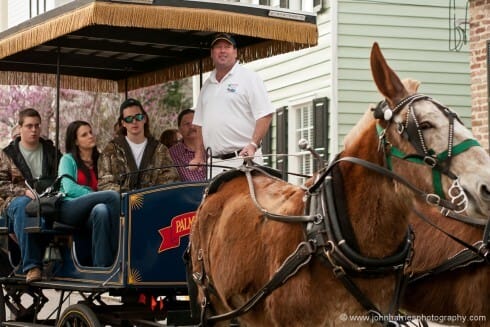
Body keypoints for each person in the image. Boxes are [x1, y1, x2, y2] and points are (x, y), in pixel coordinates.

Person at [190, 33, 275, 177]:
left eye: (227, 47)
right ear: (212, 53)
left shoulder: (249, 78)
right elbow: (199, 124)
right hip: (215, 165)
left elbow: (265, 115)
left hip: (243, 161)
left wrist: (253, 145)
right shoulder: (207, 85)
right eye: (218, 47)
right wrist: (199, 155)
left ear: (235, 52)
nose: (222, 51)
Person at [0, 108, 61, 283]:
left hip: (48, 198)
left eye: (36, 126)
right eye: (29, 126)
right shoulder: (6, 154)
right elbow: (1, 184)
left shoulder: (52, 152)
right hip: (15, 201)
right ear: (20, 128)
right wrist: (24, 192)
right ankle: (32, 266)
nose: (33, 130)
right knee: (23, 206)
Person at [57, 121, 120, 267]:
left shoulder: (101, 160)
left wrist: (99, 198)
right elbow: (68, 188)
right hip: (70, 207)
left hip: (94, 211)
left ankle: (103, 268)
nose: (90, 136)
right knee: (111, 196)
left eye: (91, 132)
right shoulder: (67, 159)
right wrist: (94, 194)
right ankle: (119, 252)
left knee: (102, 211)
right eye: (84, 134)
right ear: (75, 141)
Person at [98, 98, 180, 192]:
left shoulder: (160, 150)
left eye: (138, 117)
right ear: (123, 123)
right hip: (121, 204)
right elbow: (104, 184)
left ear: (144, 119)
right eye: (129, 119)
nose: (134, 122)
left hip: (154, 202)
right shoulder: (111, 150)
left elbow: (172, 180)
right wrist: (129, 194)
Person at [169, 109, 206, 181]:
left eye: (195, 122)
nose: (192, 127)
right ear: (179, 129)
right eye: (187, 124)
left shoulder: (213, 147)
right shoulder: (172, 154)